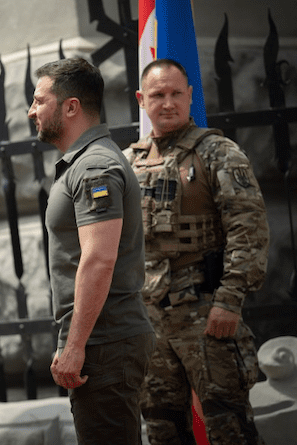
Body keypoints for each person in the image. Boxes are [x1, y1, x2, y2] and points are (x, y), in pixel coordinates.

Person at [126, 58, 268, 444]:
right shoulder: (127, 164)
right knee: (160, 426)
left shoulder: (219, 153)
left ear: (190, 96)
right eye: (158, 95)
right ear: (142, 99)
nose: (167, 102)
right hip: (149, 322)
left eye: (176, 94)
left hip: (207, 313)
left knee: (229, 425)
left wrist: (230, 299)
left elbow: (248, 231)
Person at [28, 57, 156, 444]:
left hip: (105, 343)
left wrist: (74, 346)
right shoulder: (83, 164)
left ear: (71, 107)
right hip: (105, 341)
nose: (31, 110)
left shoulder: (93, 168)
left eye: (39, 100)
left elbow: (98, 259)